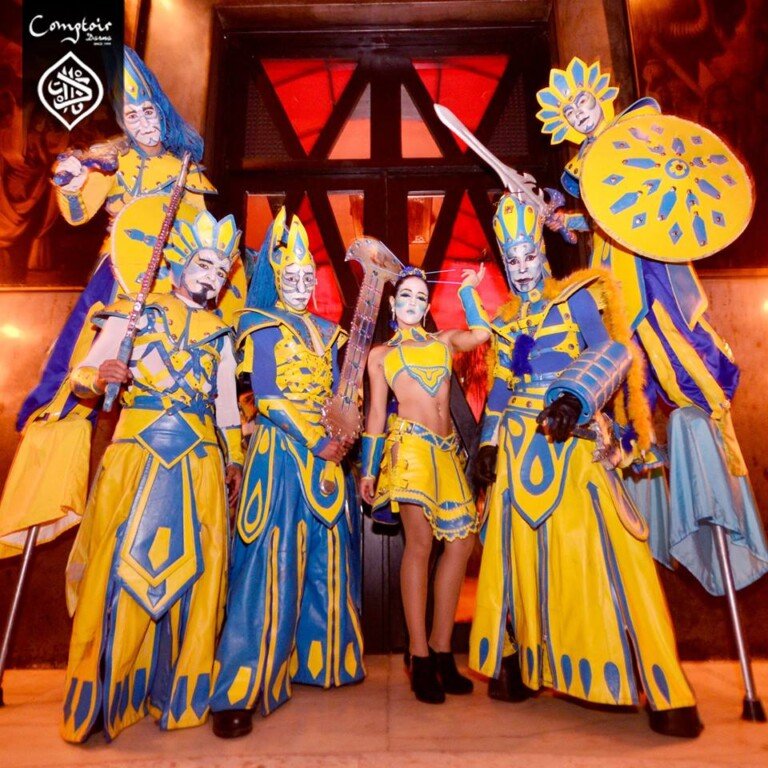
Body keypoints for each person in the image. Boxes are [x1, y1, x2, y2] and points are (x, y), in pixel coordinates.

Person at [468, 192, 703, 738]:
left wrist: (574, 397)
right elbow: (501, 385)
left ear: (542, 251)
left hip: (572, 441)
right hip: (518, 451)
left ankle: (664, 691)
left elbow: (615, 352)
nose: (521, 266)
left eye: (528, 254)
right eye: (511, 258)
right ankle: (523, 665)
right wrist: (487, 442)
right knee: (518, 558)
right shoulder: (505, 320)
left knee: (609, 552)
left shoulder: (575, 297)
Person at [535, 56, 768, 600]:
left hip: (651, 270)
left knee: (676, 353)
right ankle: (642, 451)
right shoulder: (586, 168)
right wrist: (563, 220)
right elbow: (600, 221)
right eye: (569, 112)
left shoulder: (636, 132)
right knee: (626, 368)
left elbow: (650, 200)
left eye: (582, 100)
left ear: (601, 96)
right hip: (613, 280)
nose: (579, 112)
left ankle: (703, 437)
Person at [0, 47, 237, 559]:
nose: (143, 121)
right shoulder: (112, 160)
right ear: (123, 122)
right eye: (132, 114)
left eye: (148, 110)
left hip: (175, 290)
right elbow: (78, 212)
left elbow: (201, 232)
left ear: (162, 112)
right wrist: (70, 179)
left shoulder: (187, 169)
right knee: (68, 380)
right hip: (120, 283)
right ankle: (44, 499)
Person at [60, 209, 244, 742]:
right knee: (118, 567)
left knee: (197, 573)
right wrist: (102, 375)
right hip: (136, 457)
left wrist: (233, 458)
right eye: (205, 263)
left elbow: (226, 407)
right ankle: (105, 697)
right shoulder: (133, 312)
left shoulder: (219, 333)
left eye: (222, 269)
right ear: (179, 263)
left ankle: (179, 691)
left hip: (200, 462)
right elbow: (80, 378)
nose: (213, 275)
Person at [210, 209, 363, 739]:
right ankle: (240, 687)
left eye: (307, 277)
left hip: (326, 459)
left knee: (327, 556)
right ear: (276, 278)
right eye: (290, 277)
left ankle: (320, 660)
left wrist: (346, 426)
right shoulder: (262, 323)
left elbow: (340, 390)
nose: (300, 286)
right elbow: (269, 397)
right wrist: (319, 440)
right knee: (268, 562)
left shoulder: (327, 330)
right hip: (280, 455)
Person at [359, 263, 490, 704]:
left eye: (420, 296)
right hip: (409, 448)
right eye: (406, 296)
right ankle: (418, 656)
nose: (413, 302)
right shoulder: (381, 355)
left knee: (462, 543)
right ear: (392, 303)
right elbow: (377, 414)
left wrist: (469, 292)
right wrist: (369, 469)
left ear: (428, 304)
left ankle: (440, 650)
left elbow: (482, 333)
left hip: (447, 452)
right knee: (420, 544)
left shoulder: (443, 341)